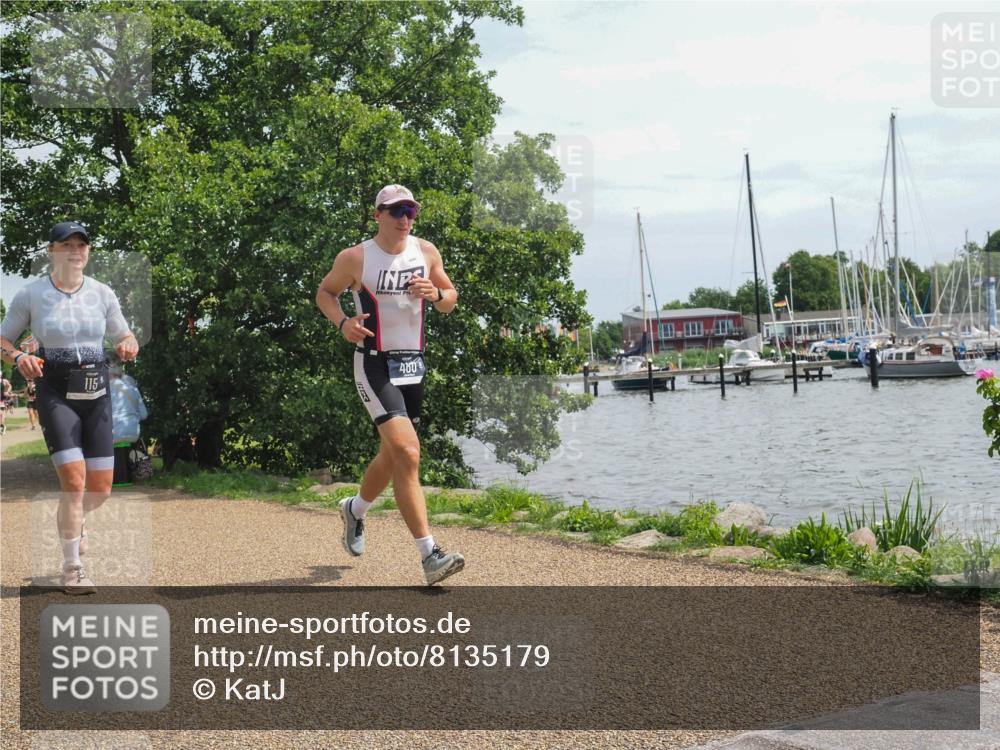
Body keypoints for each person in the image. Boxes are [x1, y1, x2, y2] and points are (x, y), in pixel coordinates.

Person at [316, 184, 464, 586]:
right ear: (377, 214)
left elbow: (450, 299)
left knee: (393, 453)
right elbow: (325, 293)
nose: (404, 219)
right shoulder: (355, 258)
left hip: (412, 365)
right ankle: (430, 555)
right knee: (408, 452)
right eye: (396, 211)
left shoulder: (426, 252)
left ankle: (355, 509)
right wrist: (343, 322)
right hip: (374, 364)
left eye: (410, 212)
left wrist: (436, 293)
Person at [0, 221, 139, 594]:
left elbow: (124, 333)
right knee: (74, 482)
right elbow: (3, 340)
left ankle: (74, 517)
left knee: (100, 489)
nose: (75, 251)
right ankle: (72, 568)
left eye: (81, 245)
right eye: (67, 245)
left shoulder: (102, 293)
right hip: (56, 393)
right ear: (51, 251)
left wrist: (128, 343)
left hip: (97, 394)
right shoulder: (31, 295)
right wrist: (18, 358)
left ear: (88, 252)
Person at [109, 358, 148, 484]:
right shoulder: (133, 389)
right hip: (133, 433)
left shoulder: (104, 389)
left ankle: (109, 476)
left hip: (112, 433)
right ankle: (128, 474)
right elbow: (144, 415)